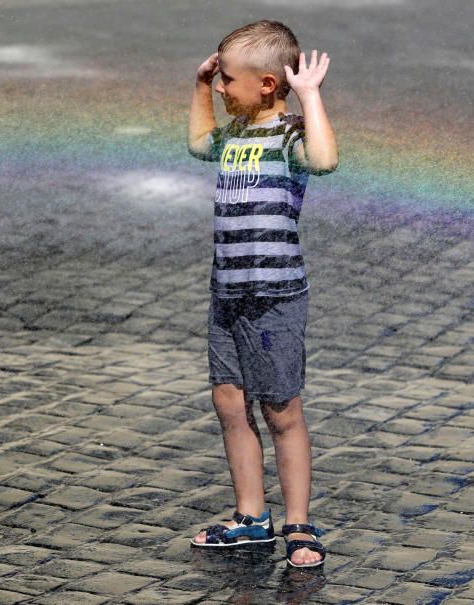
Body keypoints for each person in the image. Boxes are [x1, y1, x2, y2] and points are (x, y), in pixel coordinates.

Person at [186, 19, 338, 568]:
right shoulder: (233, 135)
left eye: (227, 79)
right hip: (226, 292)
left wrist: (312, 98)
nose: (223, 87)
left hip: (275, 297)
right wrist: (200, 85)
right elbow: (199, 143)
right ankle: (251, 516)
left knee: (281, 410)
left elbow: (324, 161)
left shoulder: (290, 135)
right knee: (229, 399)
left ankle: (299, 523)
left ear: (268, 84)